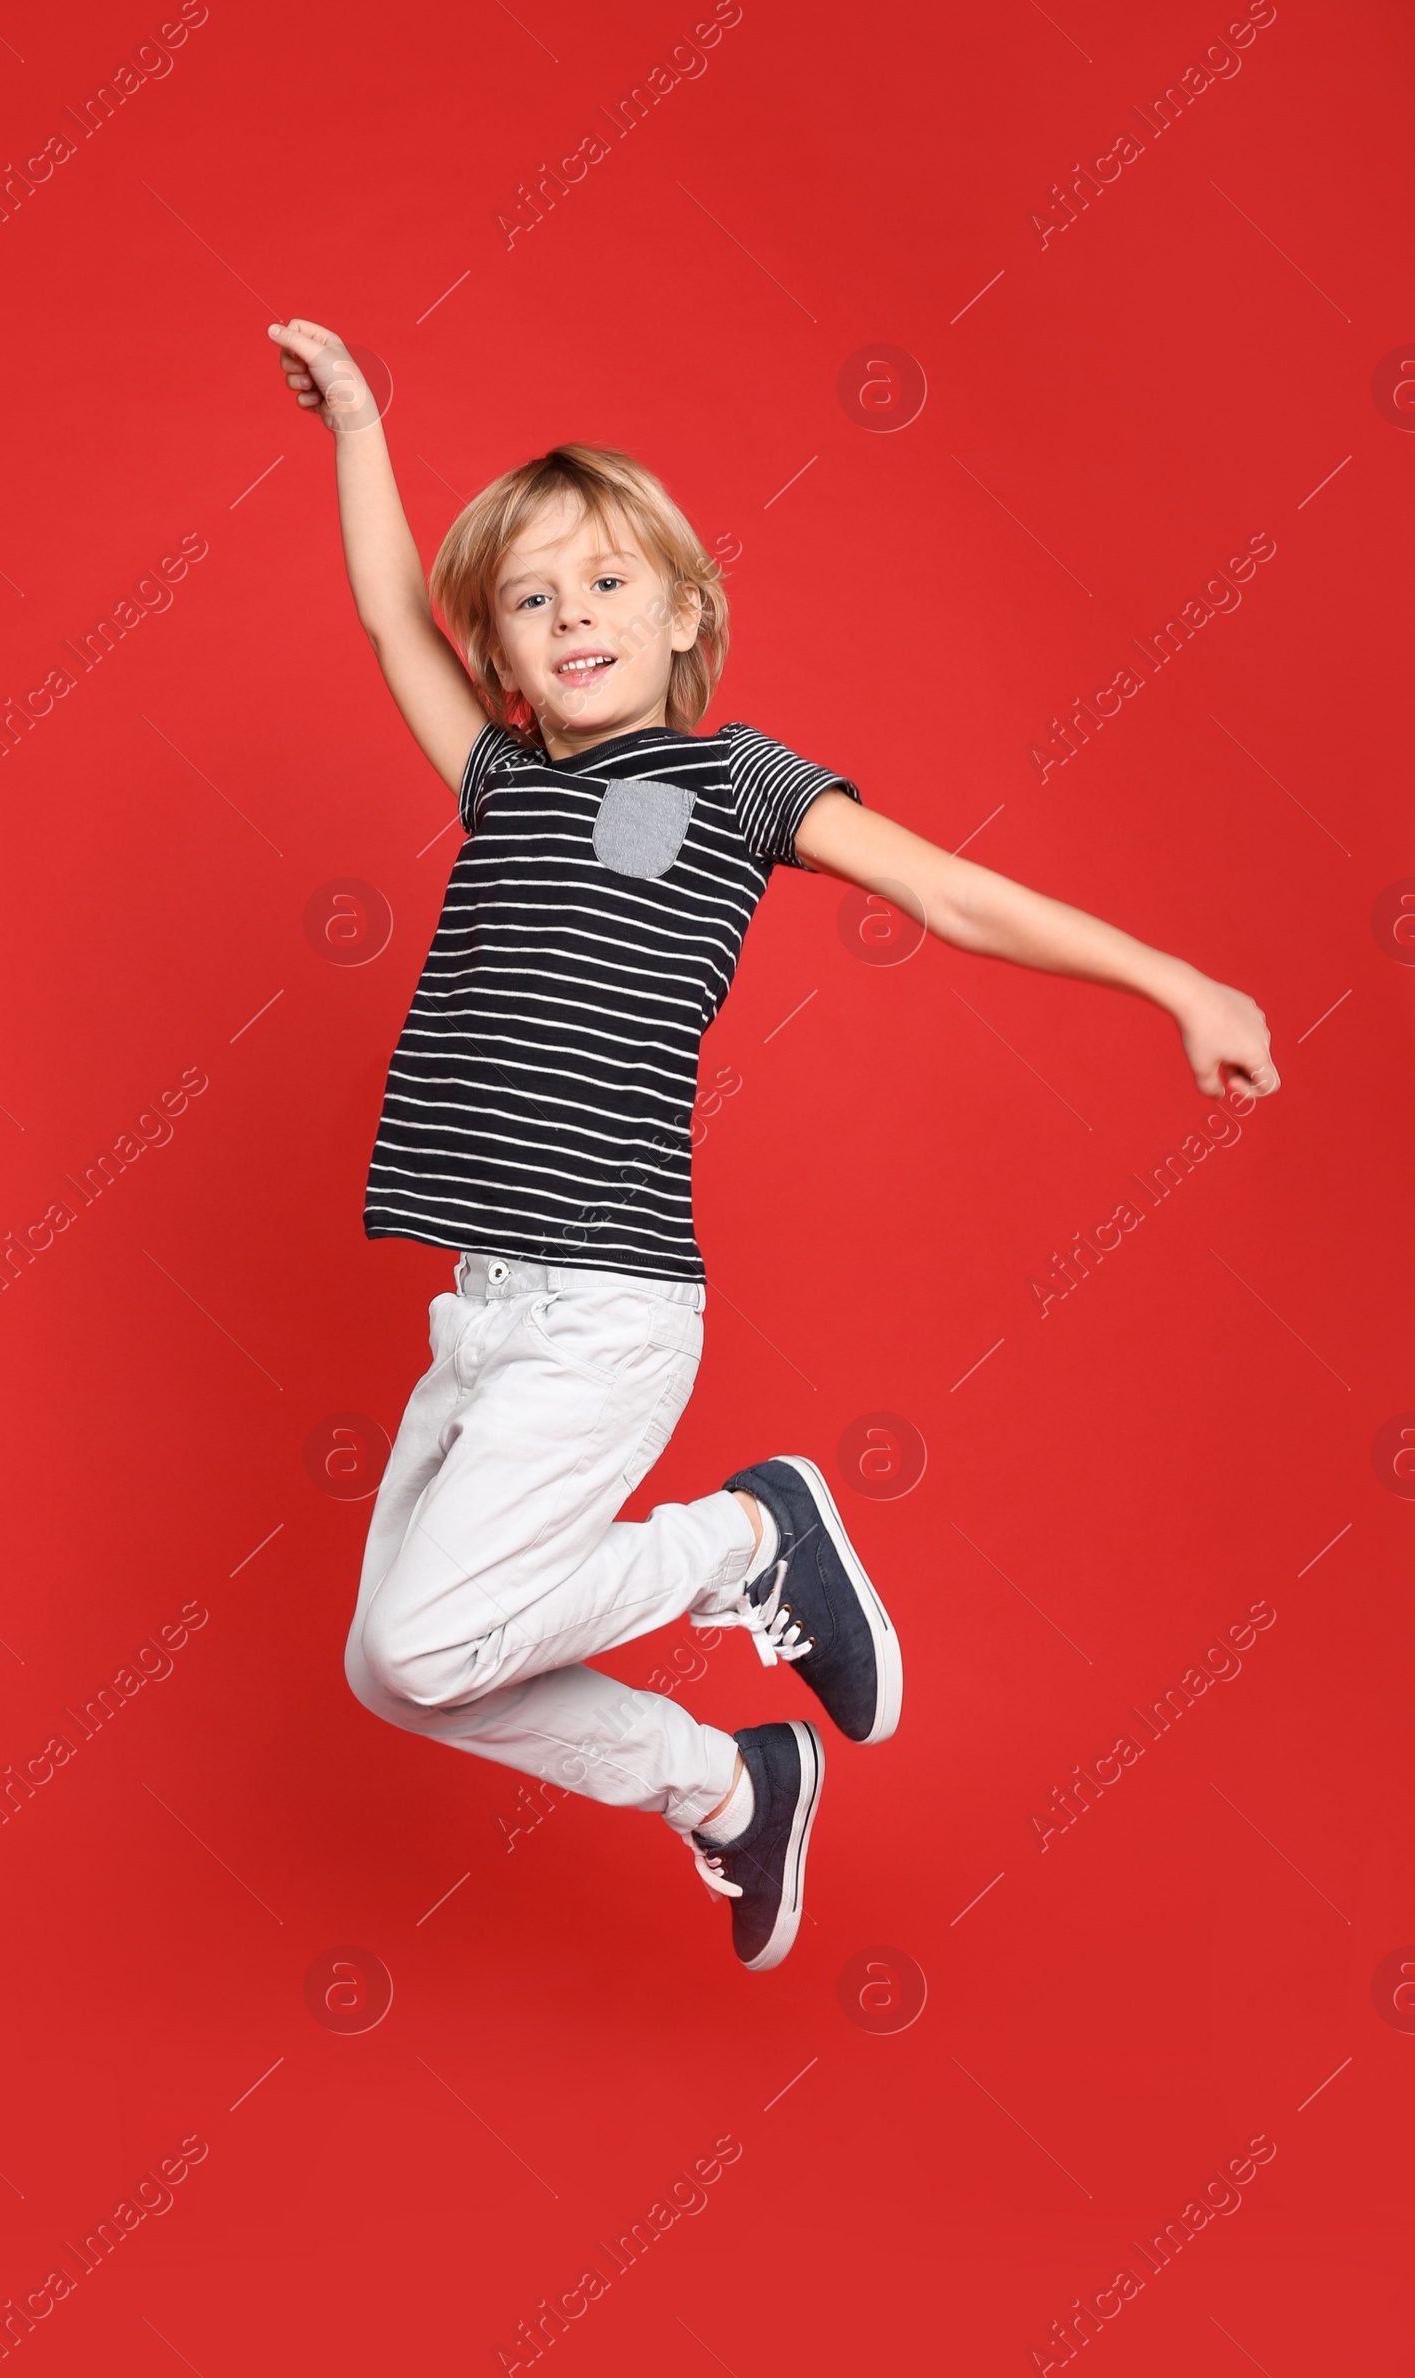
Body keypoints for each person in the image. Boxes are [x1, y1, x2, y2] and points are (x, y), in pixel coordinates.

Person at [267, 317, 1278, 1971]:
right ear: (504, 662)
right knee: (400, 1666)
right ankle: (734, 1785)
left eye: (604, 584)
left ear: (682, 618)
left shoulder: (731, 780)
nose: (570, 615)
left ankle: (748, 1536)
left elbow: (943, 889)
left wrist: (1172, 978)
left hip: (605, 1308)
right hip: (486, 1305)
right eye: (532, 598)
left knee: (433, 1632)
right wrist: (361, 422)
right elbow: (389, 610)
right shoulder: (501, 781)